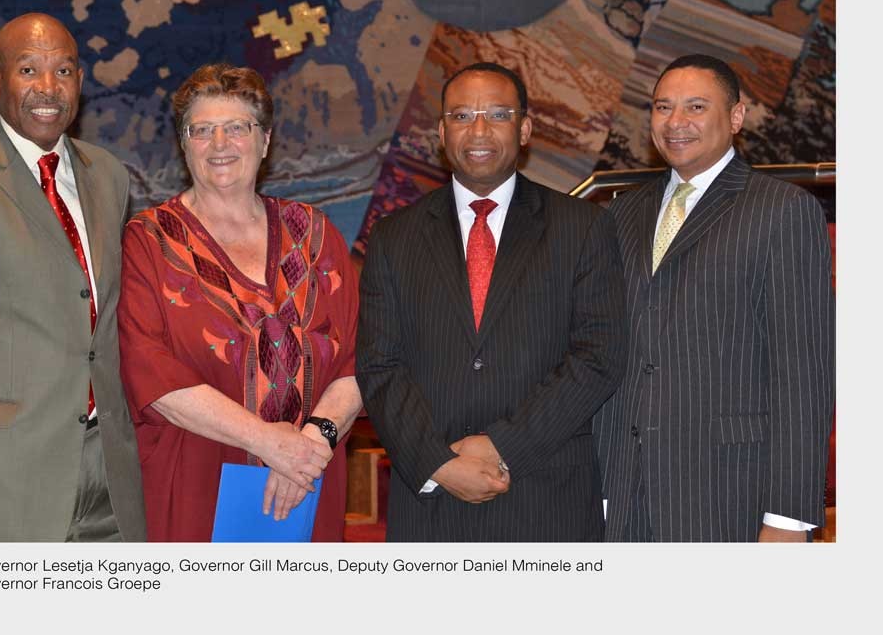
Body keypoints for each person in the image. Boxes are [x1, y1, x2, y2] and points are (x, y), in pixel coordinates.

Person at [356, 62, 627, 541]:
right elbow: (380, 367)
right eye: (461, 116)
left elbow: (598, 357)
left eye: (497, 115)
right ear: (442, 132)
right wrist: (437, 462)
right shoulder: (394, 237)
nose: (478, 130)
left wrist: (502, 446)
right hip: (431, 503)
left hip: (546, 496)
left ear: (524, 129)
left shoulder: (581, 227)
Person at [0, 12, 146, 541]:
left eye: (63, 71)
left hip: (109, 475)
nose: (48, 88)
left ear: (80, 84)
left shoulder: (108, 175)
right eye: (28, 70)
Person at [593, 54, 835, 542]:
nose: (676, 122)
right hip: (619, 493)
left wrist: (787, 518)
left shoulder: (783, 210)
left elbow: (803, 373)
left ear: (737, 117)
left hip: (728, 494)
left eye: (696, 107)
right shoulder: (619, 215)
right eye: (663, 107)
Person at [118, 63, 362, 541]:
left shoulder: (315, 234)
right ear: (184, 145)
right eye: (202, 130)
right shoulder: (147, 242)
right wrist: (270, 444)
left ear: (265, 141)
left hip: (309, 484)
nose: (220, 144)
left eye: (237, 128)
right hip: (194, 491)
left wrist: (311, 446)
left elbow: (357, 361)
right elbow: (149, 373)